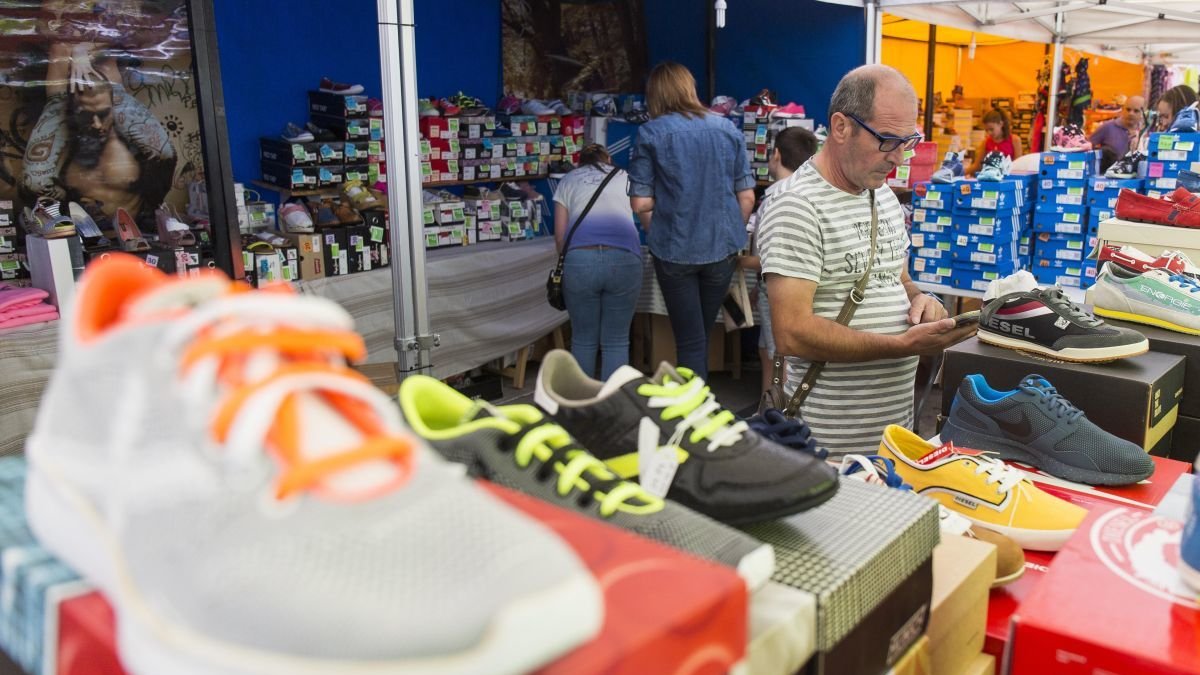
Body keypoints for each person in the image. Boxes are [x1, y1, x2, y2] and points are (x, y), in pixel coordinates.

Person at [758, 64, 976, 456]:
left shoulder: (882, 195)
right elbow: (791, 331)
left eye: (908, 141)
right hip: (825, 448)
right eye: (887, 140)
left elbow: (898, 278)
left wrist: (923, 301)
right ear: (841, 127)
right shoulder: (795, 205)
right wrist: (901, 345)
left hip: (892, 440)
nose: (899, 157)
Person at [628, 61, 755, 379]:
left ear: (654, 95)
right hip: (721, 251)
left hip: (673, 250)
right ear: (689, 88)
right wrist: (730, 235)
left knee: (690, 340)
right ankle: (702, 412)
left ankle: (695, 414)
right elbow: (748, 197)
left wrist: (656, 234)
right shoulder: (727, 128)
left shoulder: (650, 133)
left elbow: (641, 202)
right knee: (700, 334)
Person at [22, 42, 176, 226]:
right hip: (64, 98)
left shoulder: (102, 35)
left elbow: (114, 38)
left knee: (164, 154)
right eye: (88, 117)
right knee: (35, 180)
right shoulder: (63, 97)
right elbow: (58, 48)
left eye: (102, 117)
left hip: (109, 92)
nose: (96, 125)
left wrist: (82, 50)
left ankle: (151, 211)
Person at [739, 127, 818, 394]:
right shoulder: (810, 192)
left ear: (776, 154)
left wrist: (739, 263)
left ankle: (778, 417)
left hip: (779, 292)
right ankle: (767, 411)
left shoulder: (778, 197)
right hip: (779, 289)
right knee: (768, 350)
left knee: (779, 355)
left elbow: (772, 258)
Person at [554, 144, 641, 380]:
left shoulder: (568, 180)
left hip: (580, 260)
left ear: (580, 161)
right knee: (616, 340)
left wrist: (572, 261)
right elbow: (642, 210)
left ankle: (583, 403)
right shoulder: (626, 177)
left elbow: (560, 236)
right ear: (608, 159)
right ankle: (611, 405)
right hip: (624, 258)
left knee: (583, 338)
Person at [966, 108, 1023, 175]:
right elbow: (977, 166)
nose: (989, 133)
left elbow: (1018, 165)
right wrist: (960, 172)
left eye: (991, 129)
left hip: (1009, 178)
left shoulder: (1015, 140)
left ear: (1001, 124)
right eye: (986, 130)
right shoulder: (986, 142)